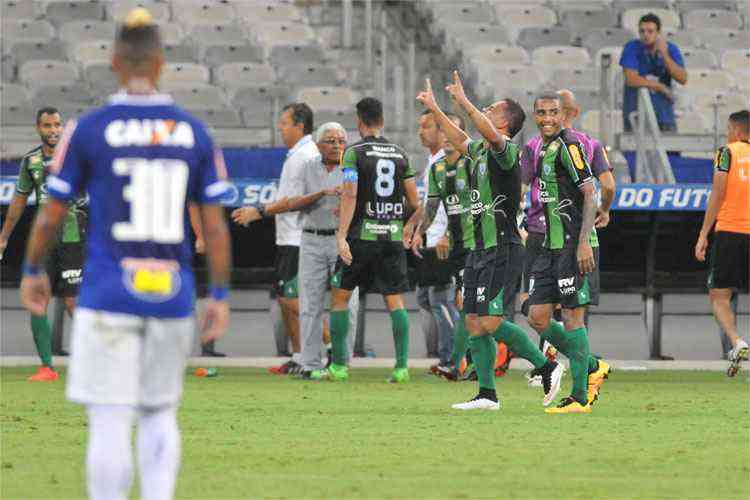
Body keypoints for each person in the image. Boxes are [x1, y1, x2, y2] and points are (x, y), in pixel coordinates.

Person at [19, 9, 231, 499]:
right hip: (171, 293)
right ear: (160, 63)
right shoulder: (193, 132)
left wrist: (32, 268)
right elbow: (215, 228)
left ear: (114, 61)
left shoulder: (90, 129)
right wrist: (217, 293)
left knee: (110, 417)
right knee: (159, 414)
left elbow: (51, 213)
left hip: (108, 291)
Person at [417, 73, 563, 411]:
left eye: (493, 108)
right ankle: (487, 394)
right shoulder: (480, 152)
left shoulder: (506, 150)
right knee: (472, 321)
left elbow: (480, 130)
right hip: (478, 247)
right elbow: (458, 137)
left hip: (502, 247)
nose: (487, 108)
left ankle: (547, 366)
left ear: (506, 123)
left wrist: (464, 102)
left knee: (492, 321)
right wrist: (437, 108)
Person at [232, 122, 360, 379]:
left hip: (341, 241)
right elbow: (293, 202)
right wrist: (321, 193)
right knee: (309, 303)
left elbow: (360, 201)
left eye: (340, 140)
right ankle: (311, 363)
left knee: (347, 302)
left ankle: (341, 363)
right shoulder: (307, 166)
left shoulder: (353, 168)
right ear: (319, 145)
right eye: (330, 140)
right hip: (311, 239)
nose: (336, 145)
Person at [520, 89, 615, 404]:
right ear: (535, 116)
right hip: (550, 245)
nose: (547, 118)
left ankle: (579, 396)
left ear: (564, 115)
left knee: (574, 317)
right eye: (541, 113)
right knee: (536, 315)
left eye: (553, 113)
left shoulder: (571, 145)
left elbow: (591, 192)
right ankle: (590, 365)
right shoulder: (543, 149)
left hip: (574, 245)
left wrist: (586, 240)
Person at [327, 97, 422, 383]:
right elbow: (415, 201)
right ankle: (402, 367)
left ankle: (340, 366)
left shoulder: (353, 152)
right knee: (395, 301)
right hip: (391, 236)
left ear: (359, 122)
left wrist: (342, 234)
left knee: (340, 297)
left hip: (361, 236)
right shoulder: (400, 153)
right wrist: (407, 228)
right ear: (382, 120)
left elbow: (350, 193)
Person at [0, 107, 87, 380]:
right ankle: (47, 367)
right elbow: (18, 202)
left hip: (74, 238)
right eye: (47, 126)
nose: (53, 130)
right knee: (39, 300)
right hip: (45, 241)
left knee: (74, 302)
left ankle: (99, 365)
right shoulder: (31, 161)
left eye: (57, 125)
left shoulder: (77, 157)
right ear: (38, 128)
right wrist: (3, 236)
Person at [412, 112, 472, 381]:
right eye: (444, 131)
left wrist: (446, 234)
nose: (447, 137)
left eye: (453, 132)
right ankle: (457, 360)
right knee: (436, 299)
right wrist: (417, 233)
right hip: (442, 242)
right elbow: (433, 206)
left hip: (466, 244)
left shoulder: (471, 166)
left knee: (447, 301)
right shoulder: (437, 167)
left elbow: (471, 207)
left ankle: (454, 360)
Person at [695, 109, 750, 377]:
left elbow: (717, 193)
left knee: (720, 295)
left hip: (730, 231)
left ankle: (737, 341)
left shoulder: (726, 153)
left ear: (737, 131)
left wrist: (704, 233)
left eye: (729, 130)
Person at [268, 103, 319, 374]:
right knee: (284, 299)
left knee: (294, 300)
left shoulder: (306, 156)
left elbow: (298, 199)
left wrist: (261, 211)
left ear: (300, 126)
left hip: (298, 237)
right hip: (286, 236)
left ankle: (332, 349)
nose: (280, 127)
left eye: (285, 123)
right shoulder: (296, 154)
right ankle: (300, 356)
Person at [620, 12, 687, 132]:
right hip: (637, 114)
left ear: (658, 33)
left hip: (664, 115)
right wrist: (660, 87)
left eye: (650, 31)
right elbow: (631, 79)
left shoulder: (670, 49)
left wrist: (665, 55)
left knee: (669, 149)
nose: (645, 35)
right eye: (642, 31)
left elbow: (682, 78)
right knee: (634, 149)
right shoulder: (632, 48)